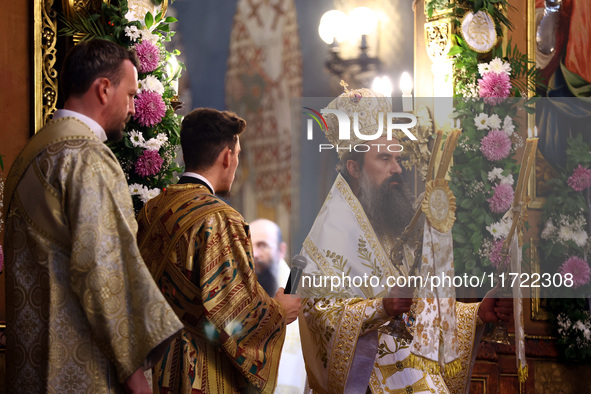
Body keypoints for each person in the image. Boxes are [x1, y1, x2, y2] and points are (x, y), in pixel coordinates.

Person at [297, 87, 512, 393]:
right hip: (365, 381)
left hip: (413, 374)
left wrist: (477, 314)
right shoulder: (330, 234)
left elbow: (418, 316)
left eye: (396, 158)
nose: (397, 168)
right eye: (384, 159)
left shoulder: (393, 225)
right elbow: (318, 317)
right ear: (354, 168)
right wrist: (381, 308)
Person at [2, 39, 183, 393]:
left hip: (28, 366)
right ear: (103, 89)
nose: (132, 108)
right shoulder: (86, 157)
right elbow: (103, 268)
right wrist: (134, 374)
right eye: (130, 95)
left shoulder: (29, 155)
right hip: (81, 370)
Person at [136, 108, 301, 393]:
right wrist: (279, 312)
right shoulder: (220, 218)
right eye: (237, 154)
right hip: (198, 371)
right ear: (227, 157)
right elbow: (233, 312)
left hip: (152, 365)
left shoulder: (153, 208)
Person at [250, 218, 307, 393]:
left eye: (263, 245)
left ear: (281, 250)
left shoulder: (298, 292)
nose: (254, 253)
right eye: (248, 245)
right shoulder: (235, 290)